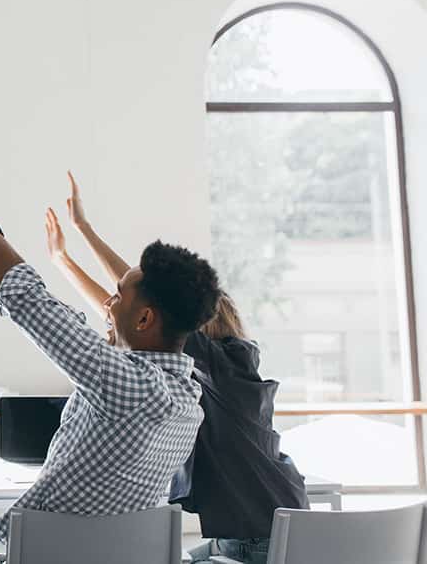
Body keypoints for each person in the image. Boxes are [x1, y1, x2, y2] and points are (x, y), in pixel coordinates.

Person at [0, 161, 219, 543]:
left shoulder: (134, 388)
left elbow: (30, 302)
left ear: (144, 319)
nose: (108, 304)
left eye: (118, 295)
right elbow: (66, 323)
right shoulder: (188, 401)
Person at [45, 172, 307, 564]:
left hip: (258, 544)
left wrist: (85, 229)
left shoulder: (222, 367)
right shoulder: (226, 374)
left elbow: (144, 296)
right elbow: (125, 316)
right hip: (260, 533)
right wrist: (63, 260)